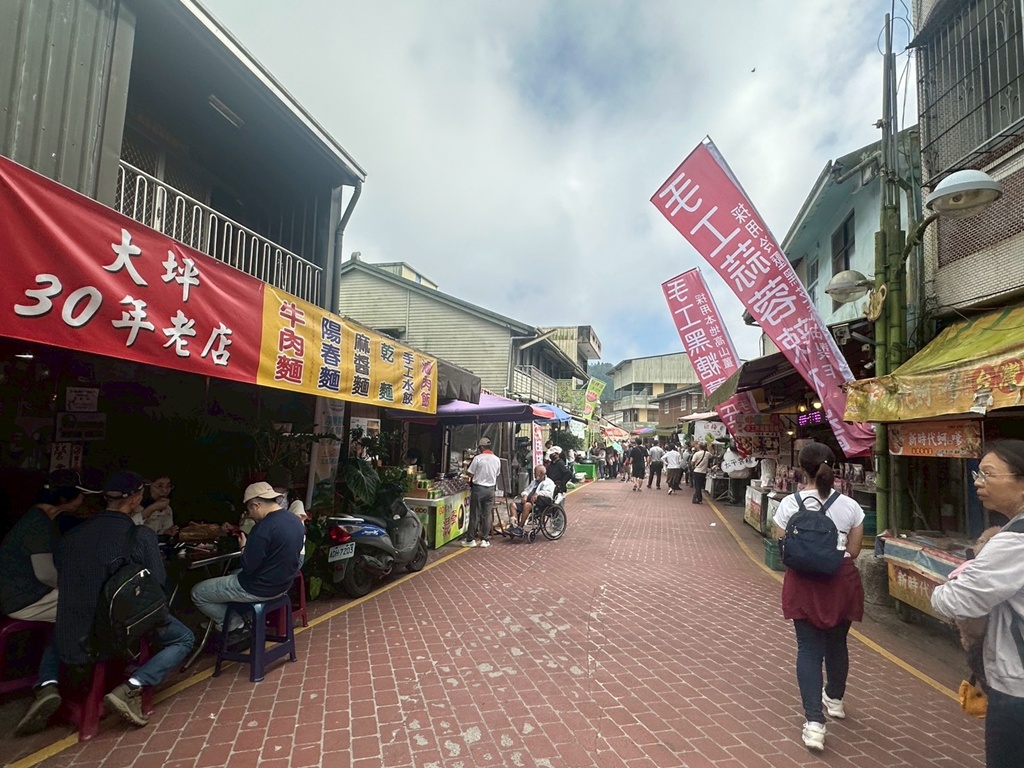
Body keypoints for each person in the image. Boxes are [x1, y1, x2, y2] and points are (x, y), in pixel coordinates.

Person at [53, 471, 194, 730]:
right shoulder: (138, 535)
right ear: (136, 498)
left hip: (71, 630)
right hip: (113, 632)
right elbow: (157, 580)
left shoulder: (72, 535)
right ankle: (132, 686)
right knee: (184, 637)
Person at [931, 440, 1024, 768]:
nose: (978, 482)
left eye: (988, 474)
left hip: (1016, 688)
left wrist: (948, 585)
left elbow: (955, 601)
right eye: (976, 474)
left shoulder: (1013, 542)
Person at [771, 443, 864, 753]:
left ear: (800, 468)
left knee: (809, 648)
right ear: (833, 467)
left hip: (804, 583)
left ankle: (814, 724)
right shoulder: (851, 506)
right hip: (840, 580)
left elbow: (780, 542)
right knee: (838, 643)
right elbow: (854, 551)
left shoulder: (789, 503)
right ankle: (835, 700)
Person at [4, 470, 89, 736]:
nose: (84, 498)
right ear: (65, 498)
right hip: (24, 597)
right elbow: (45, 573)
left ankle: (48, 683)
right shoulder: (37, 525)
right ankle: (78, 685)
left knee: (64, 618)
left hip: (25, 593)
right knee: (86, 608)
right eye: (80, 494)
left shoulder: (41, 518)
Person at [191, 482, 305, 644]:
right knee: (230, 576)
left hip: (259, 588)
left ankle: (235, 625)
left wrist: (244, 546)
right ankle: (237, 618)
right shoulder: (294, 521)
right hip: (283, 586)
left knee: (198, 592)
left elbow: (248, 566)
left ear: (256, 505)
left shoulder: (263, 528)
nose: (250, 515)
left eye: (250, 510)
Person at [463, 437, 500, 549]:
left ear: (482, 447)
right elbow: (497, 474)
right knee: (487, 515)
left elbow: (470, 473)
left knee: (474, 514)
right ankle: (485, 539)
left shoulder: (478, 458)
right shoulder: (497, 459)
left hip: (478, 489)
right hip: (490, 490)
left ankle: (471, 539)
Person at [509, 465, 555, 536]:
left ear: (541, 473)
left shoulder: (549, 483)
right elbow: (527, 490)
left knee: (527, 506)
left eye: (535, 473)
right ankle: (513, 525)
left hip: (538, 504)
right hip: (529, 501)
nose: (534, 474)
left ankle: (520, 528)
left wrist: (537, 494)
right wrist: (524, 495)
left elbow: (548, 493)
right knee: (512, 505)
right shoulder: (534, 482)